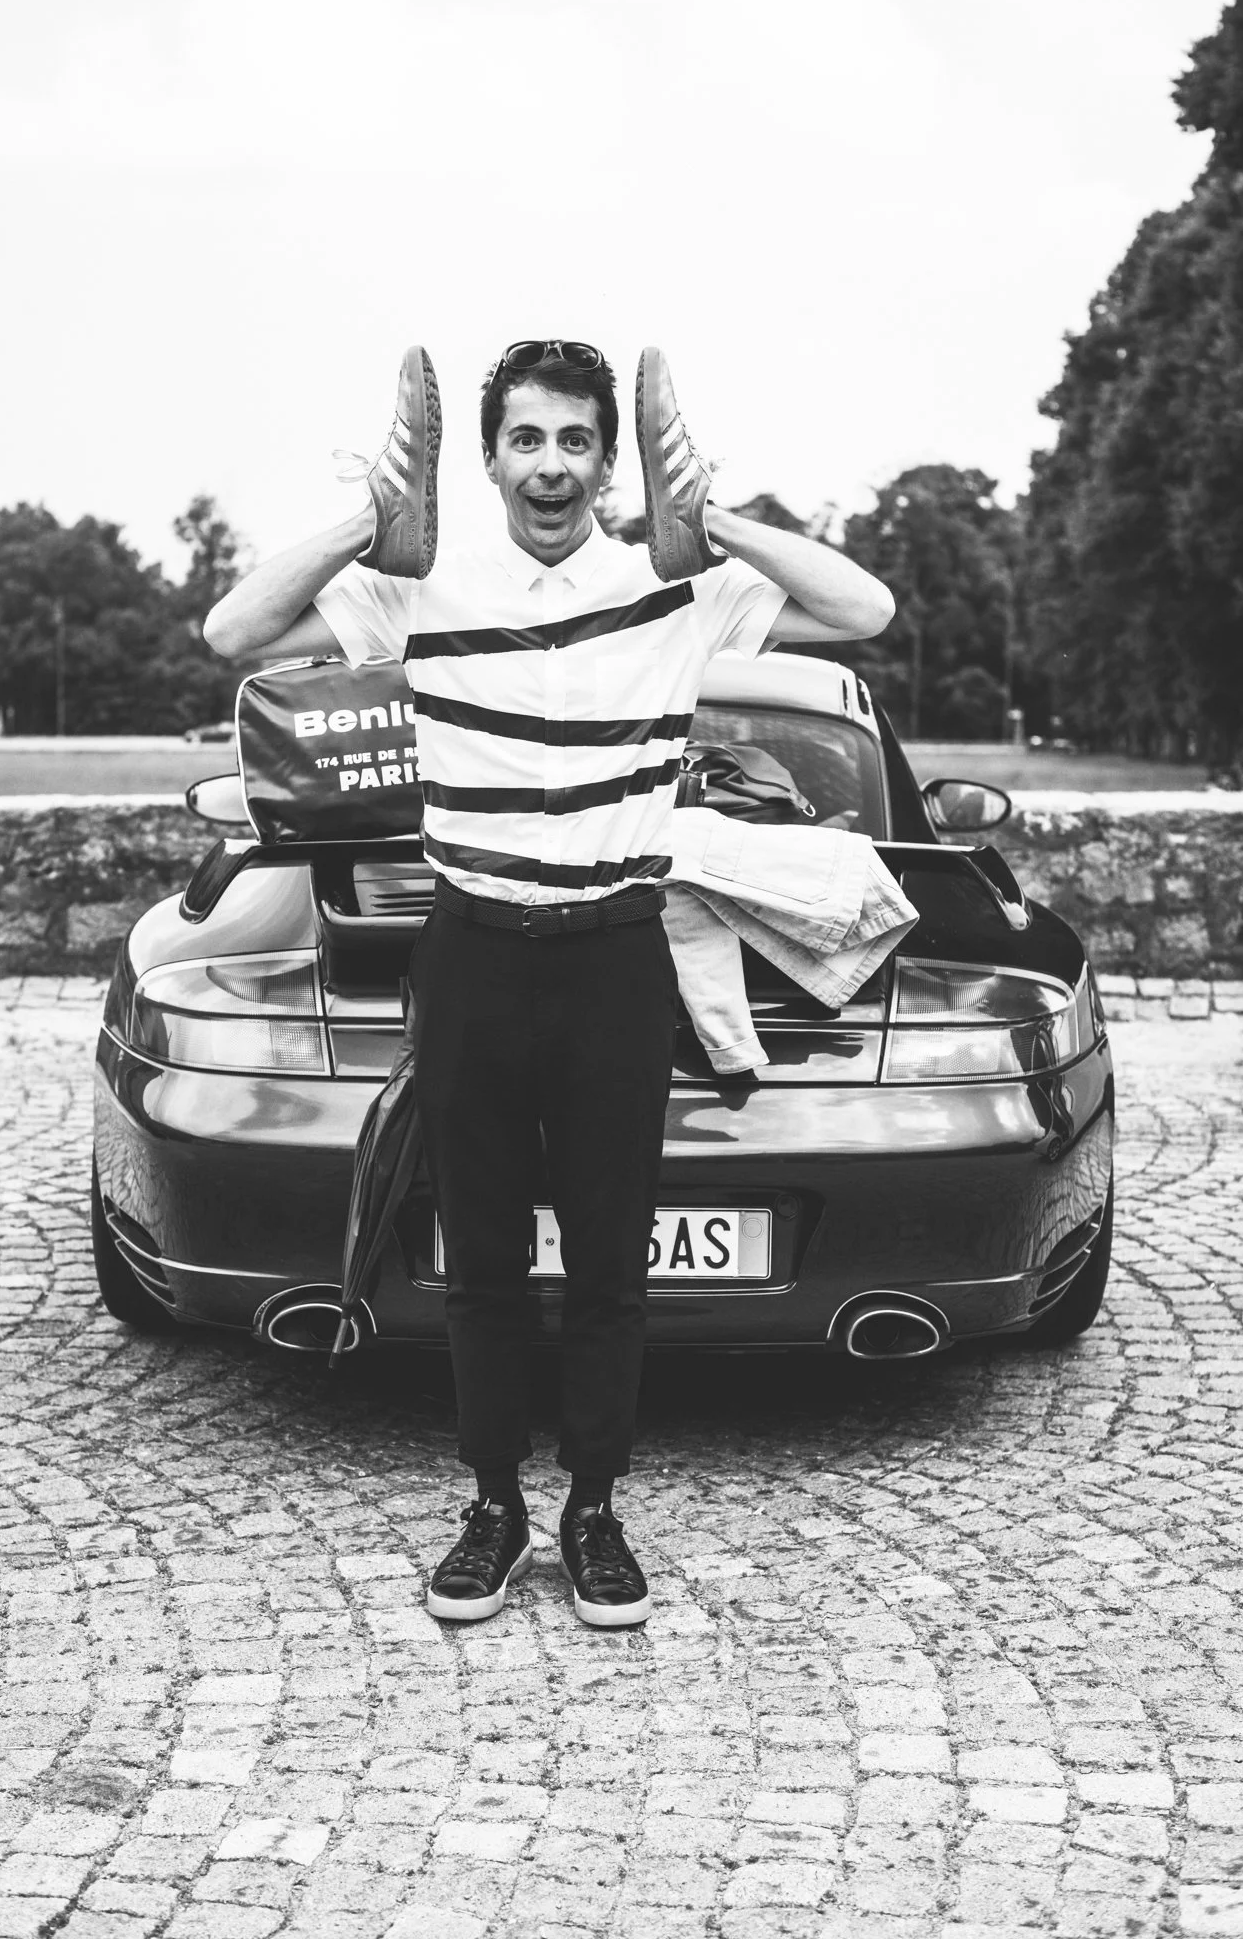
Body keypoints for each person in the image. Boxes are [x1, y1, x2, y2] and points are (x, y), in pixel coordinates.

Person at [204, 340, 894, 1628]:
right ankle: (490, 1506)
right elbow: (232, 631)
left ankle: (591, 1510)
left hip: (612, 957)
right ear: (489, 457)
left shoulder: (673, 587)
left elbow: (865, 612)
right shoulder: (424, 586)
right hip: (470, 955)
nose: (553, 466)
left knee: (608, 1265)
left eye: (577, 441)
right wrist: (376, 511)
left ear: (606, 460)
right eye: (527, 440)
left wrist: (709, 515)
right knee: (482, 1266)